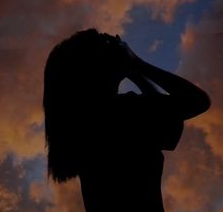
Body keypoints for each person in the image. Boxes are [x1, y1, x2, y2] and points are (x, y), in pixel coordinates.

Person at [43, 29, 211, 211]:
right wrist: (137, 64)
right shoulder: (122, 113)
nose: (116, 44)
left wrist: (133, 69)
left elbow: (167, 115)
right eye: (106, 44)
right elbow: (196, 101)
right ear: (93, 65)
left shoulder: (86, 122)